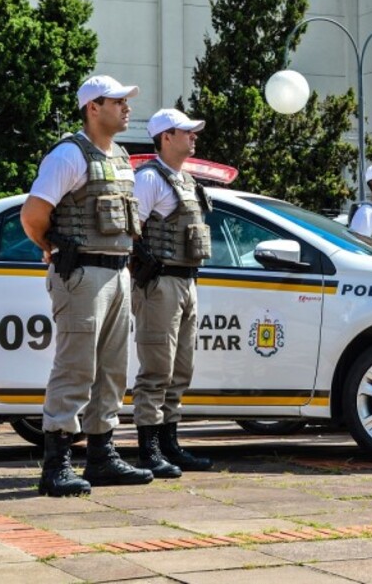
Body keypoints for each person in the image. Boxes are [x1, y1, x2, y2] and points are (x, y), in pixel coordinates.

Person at [20, 74, 153, 497]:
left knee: (112, 371)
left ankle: (101, 456)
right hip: (81, 275)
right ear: (93, 108)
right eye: (117, 101)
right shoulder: (69, 155)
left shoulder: (119, 157)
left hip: (116, 271)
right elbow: (33, 212)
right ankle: (56, 463)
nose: (126, 107)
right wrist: (52, 246)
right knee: (75, 366)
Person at [130, 108, 214, 477]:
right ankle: (148, 449)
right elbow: (132, 231)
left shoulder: (186, 179)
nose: (193, 137)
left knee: (181, 369)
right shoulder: (149, 179)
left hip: (186, 280)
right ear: (166, 137)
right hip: (160, 282)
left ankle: (169, 444)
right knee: (156, 370)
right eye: (186, 132)